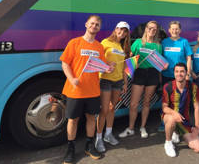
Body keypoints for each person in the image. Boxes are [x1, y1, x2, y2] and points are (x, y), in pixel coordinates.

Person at [60, 15, 113, 164]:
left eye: (97, 25)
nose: (94, 26)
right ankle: (70, 148)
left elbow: (102, 67)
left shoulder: (98, 46)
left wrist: (109, 68)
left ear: (99, 28)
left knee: (91, 118)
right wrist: (72, 79)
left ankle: (89, 145)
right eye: (92, 23)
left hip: (93, 91)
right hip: (75, 91)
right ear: (86, 25)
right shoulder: (74, 43)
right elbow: (65, 64)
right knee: (73, 120)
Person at [119, 21, 164, 139]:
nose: (152, 31)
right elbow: (129, 58)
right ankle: (130, 128)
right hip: (139, 74)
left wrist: (160, 76)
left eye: (154, 29)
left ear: (156, 31)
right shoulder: (138, 42)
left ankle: (142, 127)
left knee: (147, 102)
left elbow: (159, 63)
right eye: (150, 28)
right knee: (133, 104)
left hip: (153, 74)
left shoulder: (158, 45)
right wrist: (134, 64)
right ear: (146, 29)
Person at [95, 21, 131, 153]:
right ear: (115, 29)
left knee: (112, 108)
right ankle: (98, 138)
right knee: (104, 109)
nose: (122, 32)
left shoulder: (123, 47)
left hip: (118, 81)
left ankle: (108, 134)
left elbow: (124, 67)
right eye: (120, 29)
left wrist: (125, 83)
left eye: (125, 31)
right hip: (105, 80)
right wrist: (106, 63)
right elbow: (97, 59)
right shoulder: (105, 42)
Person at [159, 21, 193, 135]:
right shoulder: (164, 42)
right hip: (166, 75)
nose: (175, 31)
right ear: (169, 30)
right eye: (172, 29)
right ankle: (164, 123)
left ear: (180, 30)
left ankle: (181, 122)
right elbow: (160, 58)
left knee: (180, 100)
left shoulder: (184, 42)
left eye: (177, 29)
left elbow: (188, 58)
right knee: (166, 101)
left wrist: (188, 73)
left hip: (180, 77)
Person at [162, 63, 199, 157]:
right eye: (176, 71)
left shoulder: (193, 87)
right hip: (169, 117)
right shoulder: (167, 86)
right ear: (174, 73)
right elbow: (164, 108)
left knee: (198, 148)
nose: (179, 74)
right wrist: (174, 113)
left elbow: (197, 108)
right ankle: (168, 143)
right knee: (172, 119)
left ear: (186, 73)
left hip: (184, 121)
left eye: (182, 71)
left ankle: (177, 132)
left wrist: (197, 127)